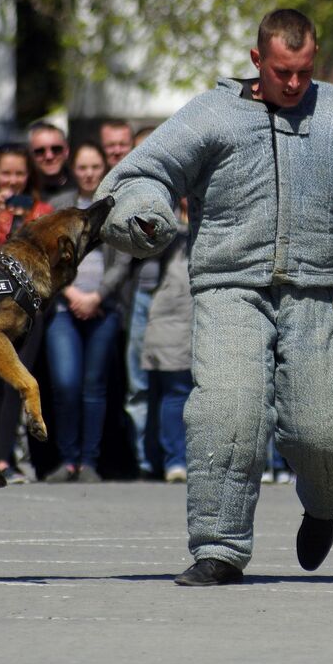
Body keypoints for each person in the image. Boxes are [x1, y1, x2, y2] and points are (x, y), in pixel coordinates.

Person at [97, 8, 333, 586]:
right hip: (229, 288)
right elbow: (142, 174)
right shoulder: (211, 113)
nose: (295, 84)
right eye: (282, 72)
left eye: (304, 71)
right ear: (257, 61)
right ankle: (219, 550)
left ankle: (324, 506)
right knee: (229, 413)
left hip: (315, 290)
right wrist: (146, 214)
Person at [44, 143, 130, 483]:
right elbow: (45, 256)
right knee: (65, 383)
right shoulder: (57, 206)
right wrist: (72, 292)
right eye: (83, 167)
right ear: (74, 169)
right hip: (65, 305)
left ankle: (89, 461)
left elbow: (124, 257)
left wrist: (97, 296)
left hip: (103, 306)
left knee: (94, 387)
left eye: (95, 166)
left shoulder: (114, 206)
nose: (90, 173)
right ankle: (67, 459)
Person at [0, 143, 53, 484]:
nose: (13, 181)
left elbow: (41, 256)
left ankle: (5, 457)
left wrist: (24, 220)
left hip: (30, 308)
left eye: (19, 173)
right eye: (6, 173)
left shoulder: (44, 210)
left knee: (19, 379)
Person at [140, 200, 193, 483]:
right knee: (174, 389)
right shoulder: (166, 223)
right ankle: (173, 460)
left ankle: (165, 458)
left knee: (172, 391)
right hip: (170, 317)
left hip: (190, 316)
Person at [28, 122, 73, 199]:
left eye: (56, 149)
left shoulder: (82, 186)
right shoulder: (24, 192)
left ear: (66, 151)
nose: (49, 156)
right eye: (40, 151)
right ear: (31, 154)